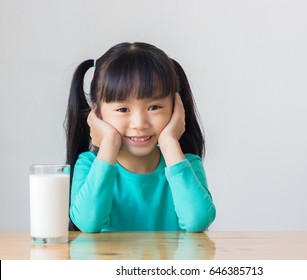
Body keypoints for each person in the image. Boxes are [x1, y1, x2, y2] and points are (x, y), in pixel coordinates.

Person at [65, 42, 216, 232]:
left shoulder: (187, 164)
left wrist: (169, 142)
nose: (139, 123)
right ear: (97, 113)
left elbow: (198, 221)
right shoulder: (88, 165)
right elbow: (88, 222)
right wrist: (109, 142)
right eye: (122, 109)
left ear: (176, 108)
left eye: (154, 107)